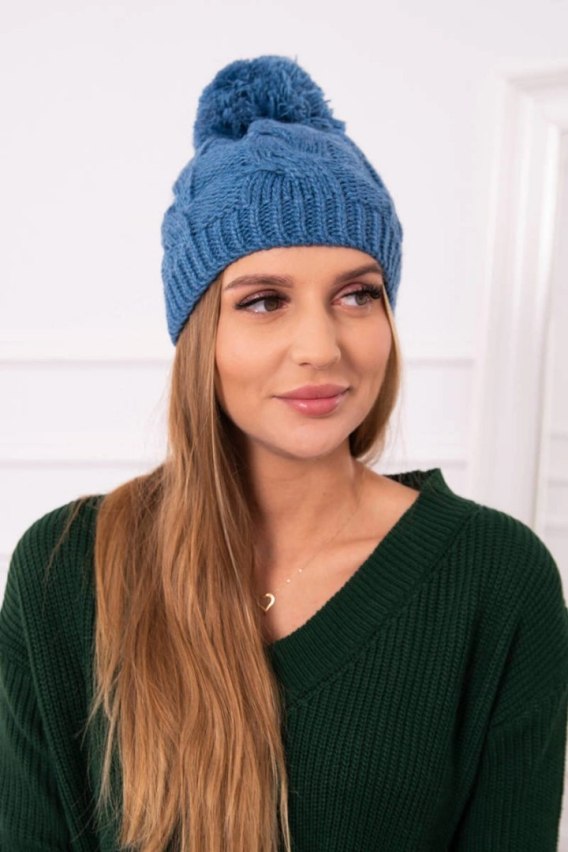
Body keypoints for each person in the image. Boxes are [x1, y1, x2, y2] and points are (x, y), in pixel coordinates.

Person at [0, 54, 567, 852]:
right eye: (265, 301)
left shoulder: (498, 581)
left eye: (357, 295)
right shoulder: (65, 571)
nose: (321, 347)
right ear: (201, 336)